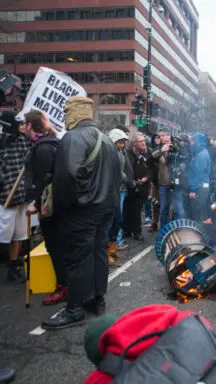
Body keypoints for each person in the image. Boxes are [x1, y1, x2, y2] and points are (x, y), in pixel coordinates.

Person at [42, 96, 121, 330]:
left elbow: (66, 177)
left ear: (75, 112)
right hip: (104, 207)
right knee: (98, 252)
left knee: (78, 258)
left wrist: (65, 207)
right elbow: (117, 177)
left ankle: (75, 309)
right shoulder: (106, 140)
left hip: (82, 209)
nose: (65, 114)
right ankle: (97, 299)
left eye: (67, 110)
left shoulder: (73, 138)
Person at [23, 110, 66, 305]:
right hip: (54, 205)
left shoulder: (43, 148)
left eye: (24, 124)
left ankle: (63, 288)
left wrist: (37, 205)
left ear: (30, 126)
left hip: (51, 208)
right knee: (58, 247)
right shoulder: (46, 144)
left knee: (56, 248)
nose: (22, 127)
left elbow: (47, 181)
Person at [0, 110, 29, 283]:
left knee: (17, 235)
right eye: (19, 124)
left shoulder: (24, 141)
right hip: (4, 197)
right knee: (3, 234)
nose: (22, 126)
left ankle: (13, 267)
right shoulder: (2, 143)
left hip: (21, 197)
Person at [107, 128, 133, 265]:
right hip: (109, 192)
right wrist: (127, 180)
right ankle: (106, 254)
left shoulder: (120, 153)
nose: (123, 145)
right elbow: (116, 171)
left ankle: (112, 250)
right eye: (121, 142)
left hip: (117, 190)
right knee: (110, 222)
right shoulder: (108, 154)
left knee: (117, 220)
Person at [124, 133, 152, 241]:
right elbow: (127, 168)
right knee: (128, 208)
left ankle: (137, 231)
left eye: (144, 141)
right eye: (140, 141)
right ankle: (127, 229)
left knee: (137, 209)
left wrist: (146, 178)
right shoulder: (129, 153)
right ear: (135, 143)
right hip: (130, 183)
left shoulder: (148, 152)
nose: (143, 143)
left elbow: (151, 168)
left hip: (142, 185)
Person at [187, 132, 211, 222]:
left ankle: (197, 234)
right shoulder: (200, 152)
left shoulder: (201, 155)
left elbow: (198, 174)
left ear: (198, 142)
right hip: (201, 187)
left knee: (196, 214)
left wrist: (193, 190)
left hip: (199, 188)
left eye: (192, 141)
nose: (191, 143)